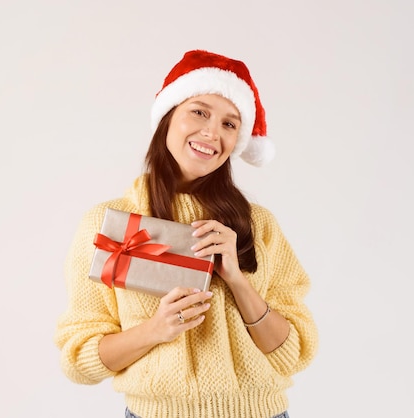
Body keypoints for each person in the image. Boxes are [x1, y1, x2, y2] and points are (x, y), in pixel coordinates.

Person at [53, 49, 318, 418]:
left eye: (230, 123)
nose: (212, 132)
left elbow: (294, 352)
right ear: (167, 117)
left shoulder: (258, 225)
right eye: (199, 111)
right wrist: (155, 330)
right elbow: (78, 360)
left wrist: (238, 281)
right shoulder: (109, 225)